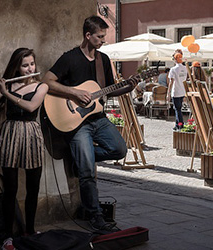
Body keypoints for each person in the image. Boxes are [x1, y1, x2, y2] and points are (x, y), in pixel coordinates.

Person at [42, 16, 137, 231]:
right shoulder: (69, 58)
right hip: (77, 123)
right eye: (100, 36)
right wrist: (74, 92)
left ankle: (80, 159)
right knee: (87, 173)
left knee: (119, 149)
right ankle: (94, 216)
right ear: (88, 35)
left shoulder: (103, 60)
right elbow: (47, 82)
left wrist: (128, 87)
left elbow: (109, 89)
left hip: (98, 118)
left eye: (104, 36)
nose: (103, 40)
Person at [0, 48, 49, 246]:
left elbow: (32, 107)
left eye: (32, 64)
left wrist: (6, 93)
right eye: (25, 65)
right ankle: (8, 236)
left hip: (32, 134)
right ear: (17, 67)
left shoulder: (41, 86)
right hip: (11, 134)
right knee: (11, 188)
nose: (29, 68)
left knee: (33, 187)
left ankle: (30, 230)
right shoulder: (7, 85)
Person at [167, 52, 187, 131]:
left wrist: (168, 93)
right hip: (182, 91)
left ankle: (181, 125)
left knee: (177, 109)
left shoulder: (173, 69)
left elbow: (171, 82)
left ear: (175, 59)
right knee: (178, 109)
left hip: (175, 91)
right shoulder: (185, 68)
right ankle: (176, 125)